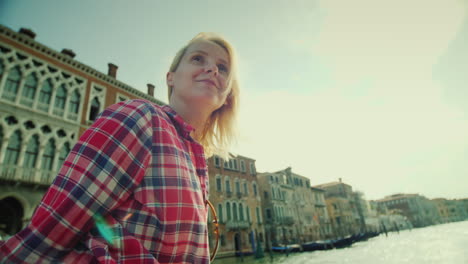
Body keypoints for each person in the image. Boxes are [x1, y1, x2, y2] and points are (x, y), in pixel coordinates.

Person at [0, 32, 240, 263]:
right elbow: (49, 233)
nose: (212, 69)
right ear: (171, 77)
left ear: (227, 93)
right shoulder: (141, 117)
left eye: (223, 67)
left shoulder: (194, 159)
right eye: (198, 58)